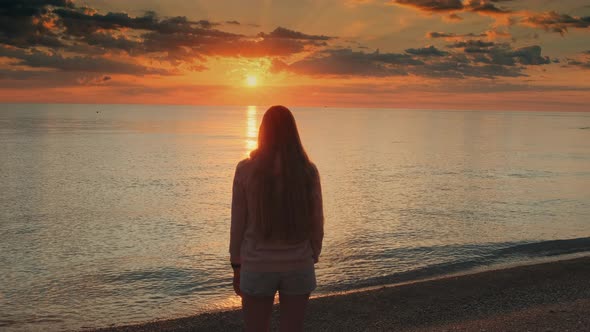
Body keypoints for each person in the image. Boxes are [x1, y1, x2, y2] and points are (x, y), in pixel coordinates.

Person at [229, 105, 324, 332]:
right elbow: (317, 222)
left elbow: (238, 224)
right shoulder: (308, 171)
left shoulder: (245, 170)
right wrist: (314, 253)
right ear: (294, 133)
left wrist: (236, 264)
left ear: (263, 131)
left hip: (257, 265)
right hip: (299, 263)